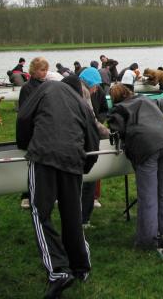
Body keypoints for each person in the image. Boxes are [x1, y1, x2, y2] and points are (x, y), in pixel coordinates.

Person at [16, 79, 100, 298]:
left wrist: (26, 145)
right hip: (74, 159)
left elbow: (24, 116)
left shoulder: (45, 88)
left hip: (43, 156)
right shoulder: (81, 102)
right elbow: (92, 135)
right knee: (73, 214)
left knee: (40, 213)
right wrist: (86, 166)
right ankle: (81, 267)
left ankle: (58, 271)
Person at [107, 84, 163, 248]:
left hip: (147, 148)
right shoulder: (146, 100)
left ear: (115, 99)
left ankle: (148, 240)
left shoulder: (119, 109)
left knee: (148, 196)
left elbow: (115, 131)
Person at [67, 69, 110, 228]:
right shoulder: (83, 91)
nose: (97, 89)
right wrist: (109, 134)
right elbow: (91, 120)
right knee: (90, 176)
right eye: (96, 85)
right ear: (90, 82)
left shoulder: (73, 87)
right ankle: (83, 219)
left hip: (66, 138)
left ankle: (74, 217)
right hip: (77, 141)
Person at [18, 57, 50, 209]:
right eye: (42, 70)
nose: (44, 73)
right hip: (32, 128)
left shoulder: (47, 86)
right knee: (30, 164)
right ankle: (26, 194)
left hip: (45, 128)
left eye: (45, 70)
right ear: (34, 71)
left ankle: (44, 192)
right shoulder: (27, 88)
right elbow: (24, 112)